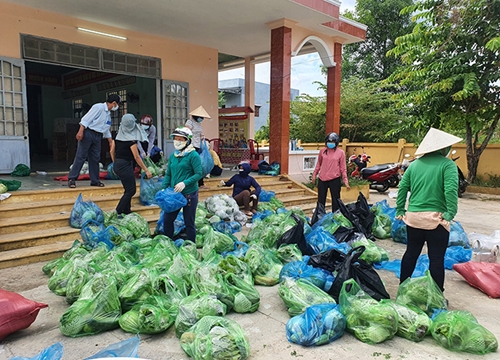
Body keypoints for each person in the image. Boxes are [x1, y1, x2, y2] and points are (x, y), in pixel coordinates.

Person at [396, 127, 461, 294]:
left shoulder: (414, 165)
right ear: (443, 148)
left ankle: (402, 290)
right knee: (437, 259)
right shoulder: (448, 165)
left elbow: (402, 187)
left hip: (414, 218)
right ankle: (437, 297)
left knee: (411, 253)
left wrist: (400, 209)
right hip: (436, 219)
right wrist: (450, 213)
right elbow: (451, 191)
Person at [68, 94, 121, 188]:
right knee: (81, 156)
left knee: (95, 158)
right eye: (117, 105)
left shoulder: (108, 114)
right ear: (113, 103)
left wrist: (110, 141)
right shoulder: (98, 107)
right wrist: (80, 132)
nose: (117, 107)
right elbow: (85, 120)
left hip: (98, 136)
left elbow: (106, 129)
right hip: (88, 133)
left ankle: (95, 180)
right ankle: (72, 179)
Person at [162, 127, 203, 242]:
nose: (177, 141)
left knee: (189, 222)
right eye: (176, 138)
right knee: (167, 219)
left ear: (187, 141)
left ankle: (191, 245)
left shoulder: (193, 155)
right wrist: (164, 188)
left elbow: (199, 173)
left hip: (189, 194)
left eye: (181, 139)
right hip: (174, 193)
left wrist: (185, 183)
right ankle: (168, 242)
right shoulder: (173, 156)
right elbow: (169, 173)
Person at [110, 114, 152, 215]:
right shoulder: (131, 140)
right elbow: (136, 157)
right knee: (131, 190)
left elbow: (112, 151)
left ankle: (127, 210)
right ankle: (118, 211)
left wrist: (115, 162)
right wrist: (146, 170)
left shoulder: (118, 135)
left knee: (127, 189)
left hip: (118, 164)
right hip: (125, 165)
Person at [311, 132, 350, 213]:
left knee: (336, 200)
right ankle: (319, 216)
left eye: (332, 142)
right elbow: (319, 164)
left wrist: (345, 181)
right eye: (329, 142)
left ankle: (335, 217)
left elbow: (343, 168)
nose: (330, 144)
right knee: (321, 200)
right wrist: (314, 175)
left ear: (336, 143)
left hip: (334, 179)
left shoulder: (341, 153)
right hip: (322, 178)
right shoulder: (322, 151)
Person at [185, 105, 210, 189]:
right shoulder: (190, 122)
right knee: (192, 165)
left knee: (200, 165)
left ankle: (201, 183)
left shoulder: (198, 124)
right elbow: (187, 132)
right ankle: (191, 183)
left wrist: (202, 138)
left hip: (198, 146)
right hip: (191, 146)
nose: (201, 118)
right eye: (201, 117)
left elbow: (200, 133)